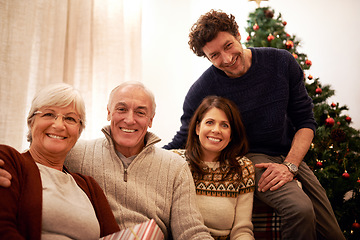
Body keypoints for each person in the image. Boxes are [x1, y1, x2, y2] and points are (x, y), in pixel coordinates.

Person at [164, 10, 345, 240]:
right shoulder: (203, 89)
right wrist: (146, 154)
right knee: (299, 209)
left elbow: (305, 121)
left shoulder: (281, 62)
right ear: (207, 58)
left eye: (229, 45)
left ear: (238, 34)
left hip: (287, 153)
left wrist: (290, 165)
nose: (227, 59)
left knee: (333, 234)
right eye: (215, 56)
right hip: (250, 160)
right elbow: (184, 138)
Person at [0, 83, 119, 239]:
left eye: (70, 118)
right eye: (49, 114)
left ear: (79, 131)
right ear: (31, 122)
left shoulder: (89, 187)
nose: (58, 125)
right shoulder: (10, 162)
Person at [173, 96, 255, 239]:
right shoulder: (175, 161)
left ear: (232, 134)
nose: (216, 130)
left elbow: (241, 230)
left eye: (225, 125)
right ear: (198, 128)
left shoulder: (243, 168)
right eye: (210, 122)